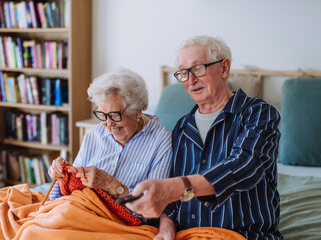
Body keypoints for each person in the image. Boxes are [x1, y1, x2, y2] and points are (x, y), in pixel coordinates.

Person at [126, 36, 282, 240]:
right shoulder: (181, 127)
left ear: (224, 68)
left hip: (242, 235)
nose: (191, 80)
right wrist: (166, 225)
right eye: (183, 73)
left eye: (198, 68)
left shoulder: (259, 114)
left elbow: (244, 166)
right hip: (187, 235)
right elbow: (172, 201)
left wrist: (175, 187)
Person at [48, 69, 174, 238]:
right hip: (78, 211)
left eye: (114, 115)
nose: (107, 124)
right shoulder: (95, 134)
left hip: (118, 225)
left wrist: (111, 185)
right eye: (102, 115)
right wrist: (60, 175)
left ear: (138, 110)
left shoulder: (161, 141)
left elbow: (152, 209)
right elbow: (64, 194)